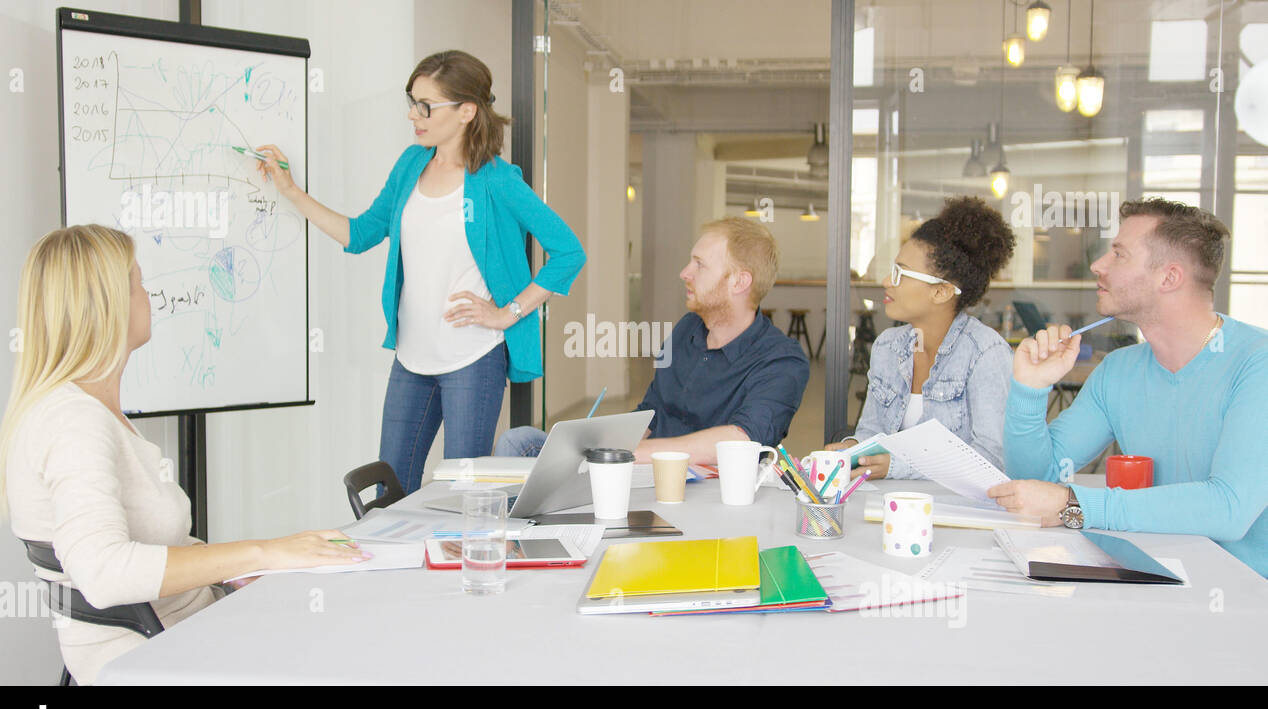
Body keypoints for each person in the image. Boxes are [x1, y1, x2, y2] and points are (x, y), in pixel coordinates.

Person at [0, 225, 370, 685]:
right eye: (138, 283)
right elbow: (104, 571)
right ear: (106, 304)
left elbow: (150, 543)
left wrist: (258, 565)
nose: (148, 296)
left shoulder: (88, 412)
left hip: (191, 630)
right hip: (162, 655)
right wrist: (261, 553)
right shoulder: (74, 423)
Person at [256, 50, 585, 494]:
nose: (414, 115)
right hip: (411, 358)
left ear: (467, 111)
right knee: (391, 493)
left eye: (426, 106)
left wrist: (508, 312)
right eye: (411, 102)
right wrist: (290, 190)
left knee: (463, 496)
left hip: (473, 360)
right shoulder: (411, 165)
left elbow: (568, 251)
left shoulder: (497, 180)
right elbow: (359, 234)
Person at [990, 198, 1268, 578]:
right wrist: (1030, 389)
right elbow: (1038, 482)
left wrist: (1074, 504)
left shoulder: (1258, 363)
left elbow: (1229, 508)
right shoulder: (1119, 369)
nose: (1098, 265)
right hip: (1155, 579)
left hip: (1247, 599)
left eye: (1119, 254)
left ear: (1169, 277)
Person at [495, 217, 808, 465]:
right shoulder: (688, 329)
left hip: (696, 486)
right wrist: (597, 441)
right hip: (640, 470)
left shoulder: (782, 360)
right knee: (518, 441)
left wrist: (627, 455)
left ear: (739, 282)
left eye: (700, 264)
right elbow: (652, 411)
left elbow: (742, 440)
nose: (685, 272)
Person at [826, 196, 1015, 480]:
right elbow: (871, 432)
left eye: (901, 273)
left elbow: (991, 460)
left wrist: (898, 467)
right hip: (887, 507)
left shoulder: (985, 354)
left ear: (941, 292)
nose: (887, 281)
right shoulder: (888, 346)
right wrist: (853, 450)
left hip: (952, 515)